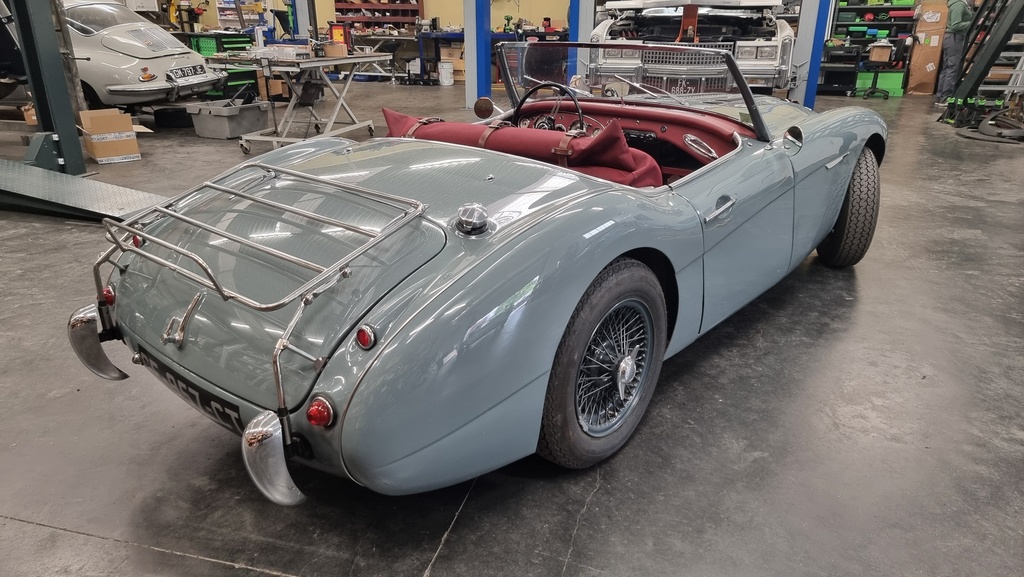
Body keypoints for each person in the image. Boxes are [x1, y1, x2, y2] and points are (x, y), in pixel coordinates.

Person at [935, 0, 975, 105]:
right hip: (954, 37)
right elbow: (956, 25)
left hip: (951, 38)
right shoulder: (959, 5)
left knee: (947, 68)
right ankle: (945, 98)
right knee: (952, 68)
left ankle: (940, 97)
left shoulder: (960, 4)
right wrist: (973, 22)